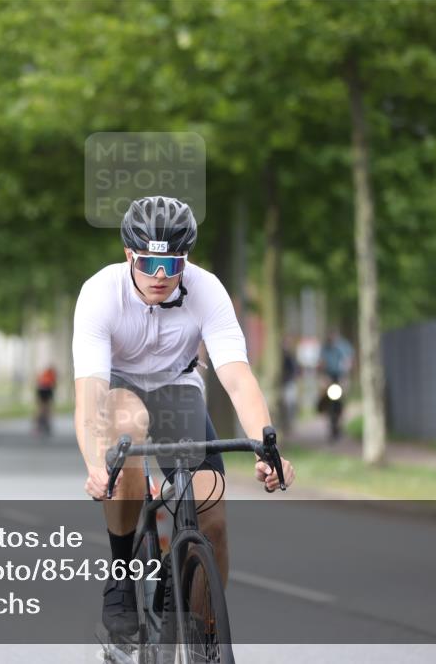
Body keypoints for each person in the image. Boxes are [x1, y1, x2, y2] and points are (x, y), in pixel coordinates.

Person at [73, 195, 295, 637]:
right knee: (127, 426)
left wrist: (268, 451)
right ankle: (121, 573)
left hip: (178, 387)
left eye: (172, 266)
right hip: (120, 387)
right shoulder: (100, 293)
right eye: (149, 264)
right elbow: (89, 395)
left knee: (212, 510)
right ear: (128, 255)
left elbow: (237, 378)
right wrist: (96, 465)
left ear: (185, 261)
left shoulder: (207, 289)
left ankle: (198, 631)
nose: (160, 277)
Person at [36, 365, 57, 435]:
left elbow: (38, 382)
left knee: (42, 407)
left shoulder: (45, 374)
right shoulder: (51, 374)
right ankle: (44, 423)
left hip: (41, 390)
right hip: (46, 390)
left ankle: (41, 422)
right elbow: (53, 384)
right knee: (47, 407)